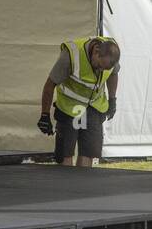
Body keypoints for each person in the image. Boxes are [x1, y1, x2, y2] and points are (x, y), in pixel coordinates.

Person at [39, 36, 120, 167]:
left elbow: (113, 74)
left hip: (94, 107)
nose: (101, 70)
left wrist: (112, 100)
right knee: (65, 154)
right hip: (69, 108)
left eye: (105, 68)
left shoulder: (111, 54)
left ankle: (83, 186)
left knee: (88, 153)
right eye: (99, 65)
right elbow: (49, 84)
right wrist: (45, 115)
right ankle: (65, 185)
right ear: (96, 51)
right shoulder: (70, 56)